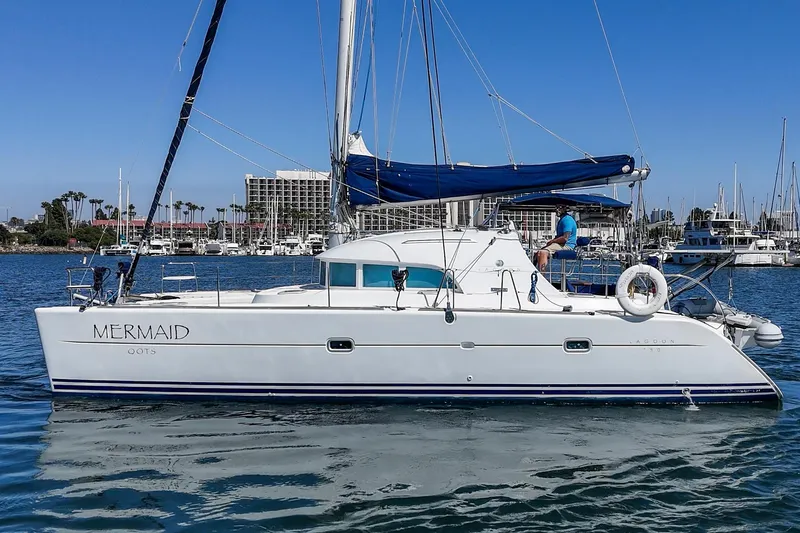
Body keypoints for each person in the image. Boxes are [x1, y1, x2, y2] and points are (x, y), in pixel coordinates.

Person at [537, 205, 577, 271]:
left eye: (559, 208)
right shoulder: (562, 220)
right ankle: (533, 272)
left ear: (565, 209)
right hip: (561, 244)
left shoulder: (567, 220)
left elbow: (565, 238)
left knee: (542, 252)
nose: (557, 210)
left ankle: (541, 275)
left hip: (567, 246)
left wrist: (552, 241)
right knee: (537, 253)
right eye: (556, 208)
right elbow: (559, 237)